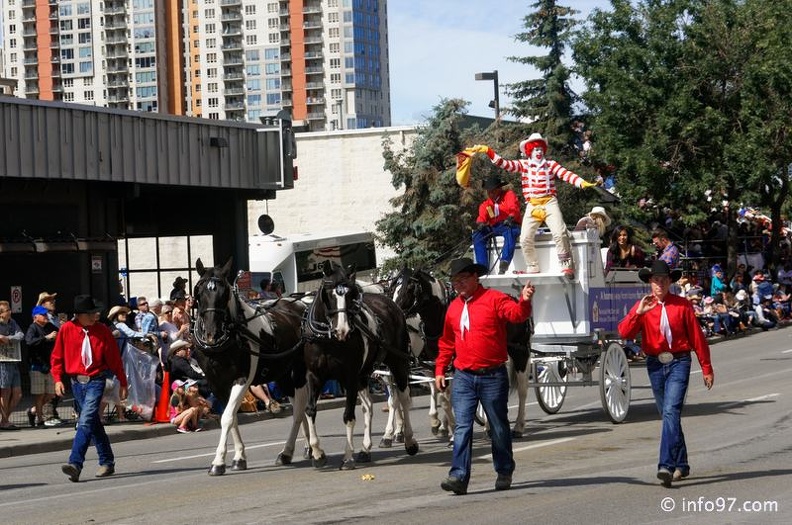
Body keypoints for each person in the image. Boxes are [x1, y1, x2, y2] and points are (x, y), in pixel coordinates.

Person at [434, 257, 535, 495]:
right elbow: (447, 342)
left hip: (492, 375)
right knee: (462, 428)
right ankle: (458, 476)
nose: (458, 284)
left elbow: (516, 315)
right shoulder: (454, 308)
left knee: (499, 427)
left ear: (475, 278)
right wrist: (440, 369)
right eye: (455, 280)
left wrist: (525, 301)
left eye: (463, 279)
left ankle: (504, 469)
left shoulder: (494, 299)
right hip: (464, 377)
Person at [618, 260, 714, 488]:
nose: (659, 284)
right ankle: (682, 463)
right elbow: (624, 332)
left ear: (670, 281)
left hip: (679, 361)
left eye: (663, 280)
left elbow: (697, 338)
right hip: (655, 364)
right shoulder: (643, 305)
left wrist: (706, 367)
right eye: (655, 280)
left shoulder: (682, 305)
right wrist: (638, 313)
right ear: (649, 283)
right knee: (668, 415)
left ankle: (666, 466)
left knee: (671, 411)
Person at [472, 133, 599, 278]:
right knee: (525, 237)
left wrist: (581, 183)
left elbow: (566, 174)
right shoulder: (524, 165)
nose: (538, 152)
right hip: (532, 205)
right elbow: (503, 163)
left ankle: (566, 266)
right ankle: (532, 266)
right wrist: (488, 150)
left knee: (559, 232)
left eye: (540, 149)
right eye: (535, 149)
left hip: (549, 202)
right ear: (529, 151)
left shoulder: (551, 165)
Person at [50, 295, 128, 482]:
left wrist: (123, 382)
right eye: (91, 313)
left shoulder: (102, 330)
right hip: (76, 382)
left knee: (85, 421)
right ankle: (107, 461)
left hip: (96, 380)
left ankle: (75, 463)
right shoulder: (67, 329)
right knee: (93, 423)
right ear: (79, 315)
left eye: (96, 312)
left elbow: (114, 358)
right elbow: (57, 356)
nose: (96, 316)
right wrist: (57, 379)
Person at [471, 173, 522, 274]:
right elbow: (482, 215)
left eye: (493, 191)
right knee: (477, 235)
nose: (491, 193)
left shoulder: (509, 195)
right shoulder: (487, 203)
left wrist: (511, 217)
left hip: (510, 224)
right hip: (495, 227)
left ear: (499, 189)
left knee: (510, 231)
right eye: (489, 191)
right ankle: (482, 268)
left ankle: (504, 263)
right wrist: (480, 223)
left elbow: (514, 208)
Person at [25, 305, 59, 427]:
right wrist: (46, 337)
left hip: (49, 365)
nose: (45, 317)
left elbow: (59, 333)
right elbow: (29, 341)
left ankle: (33, 411)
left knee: (50, 394)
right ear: (35, 317)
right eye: (43, 315)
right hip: (37, 365)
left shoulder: (49, 326)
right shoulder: (33, 328)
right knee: (39, 395)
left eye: (46, 314)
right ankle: (40, 420)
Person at [0, 300, 24, 431]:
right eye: (6, 310)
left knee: (17, 394)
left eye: (9, 309)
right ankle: (4, 421)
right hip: (3, 362)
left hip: (14, 360)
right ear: (1, 314)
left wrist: (8, 338)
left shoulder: (12, 323)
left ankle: (4, 420)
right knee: (5, 392)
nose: (9, 312)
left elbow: (21, 335)